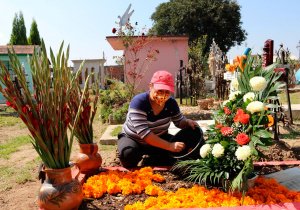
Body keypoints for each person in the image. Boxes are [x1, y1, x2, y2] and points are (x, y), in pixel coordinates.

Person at [118, 70, 203, 168]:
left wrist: (187, 122)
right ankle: (144, 155)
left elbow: (179, 122)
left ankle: (151, 159)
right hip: (134, 139)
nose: (163, 95)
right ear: (150, 86)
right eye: (160, 90)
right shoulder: (139, 102)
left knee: (183, 150)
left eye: (167, 92)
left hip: (160, 138)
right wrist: (169, 146)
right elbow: (145, 134)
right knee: (128, 155)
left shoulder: (171, 103)